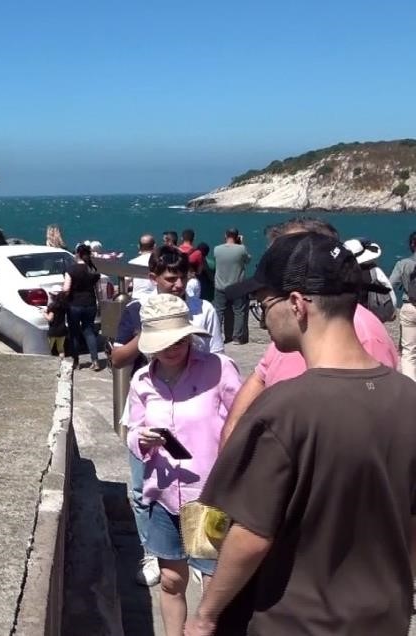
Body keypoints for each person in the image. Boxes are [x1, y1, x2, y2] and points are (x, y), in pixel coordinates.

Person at [187, 232, 416, 636]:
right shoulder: (409, 397)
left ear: (296, 304)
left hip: (292, 622)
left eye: (264, 304)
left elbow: (251, 534)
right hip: (384, 619)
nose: (263, 314)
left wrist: (205, 616)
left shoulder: (282, 410)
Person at [219, 218, 398, 446]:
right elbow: (261, 376)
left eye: (288, 255)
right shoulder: (293, 331)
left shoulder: (361, 336)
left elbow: (364, 442)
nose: (273, 265)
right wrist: (233, 435)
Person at [126, 293, 241, 636]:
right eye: (163, 342)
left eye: (178, 339)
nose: (172, 348)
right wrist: (141, 440)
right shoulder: (142, 381)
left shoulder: (218, 369)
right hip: (162, 496)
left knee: (212, 583)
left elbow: (245, 420)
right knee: (171, 579)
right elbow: (132, 430)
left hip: (206, 496)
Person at [110, 245, 224, 588]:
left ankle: (203, 559)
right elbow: (118, 360)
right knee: (144, 488)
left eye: (182, 278)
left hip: (194, 413)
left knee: (199, 486)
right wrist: (154, 333)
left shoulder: (203, 310)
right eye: (170, 279)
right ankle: (155, 551)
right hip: (150, 412)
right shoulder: (135, 311)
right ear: (154, 278)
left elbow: (218, 360)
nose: (177, 285)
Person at [63, 243, 102, 370]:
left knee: (74, 333)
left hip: (74, 305)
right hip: (90, 304)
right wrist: (100, 304)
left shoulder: (71, 270)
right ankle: (95, 361)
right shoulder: (94, 270)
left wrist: (61, 299)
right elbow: (99, 290)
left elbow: (66, 288)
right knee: (89, 332)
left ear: (77, 254)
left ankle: (76, 362)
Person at [212, 229, 251, 345]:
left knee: (219, 311)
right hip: (237, 285)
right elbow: (248, 260)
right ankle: (237, 337)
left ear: (225, 235)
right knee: (239, 311)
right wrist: (242, 244)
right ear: (237, 236)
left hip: (220, 285)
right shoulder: (241, 249)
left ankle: (217, 335)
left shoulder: (217, 249)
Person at [389, 230, 416, 381]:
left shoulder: (403, 264)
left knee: (408, 352)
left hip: (409, 307)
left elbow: (390, 284)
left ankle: (411, 389)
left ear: (412, 244)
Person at [128, 234, 157, 300]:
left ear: (138, 246)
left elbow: (126, 280)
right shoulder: (159, 262)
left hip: (137, 297)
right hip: (154, 298)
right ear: (155, 246)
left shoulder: (132, 262)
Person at [44, 291, 69, 358]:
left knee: (49, 348)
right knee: (60, 349)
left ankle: (48, 363)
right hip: (62, 330)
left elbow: (50, 318)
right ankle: (62, 363)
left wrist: (44, 313)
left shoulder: (52, 306)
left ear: (52, 296)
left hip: (53, 331)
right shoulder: (63, 305)